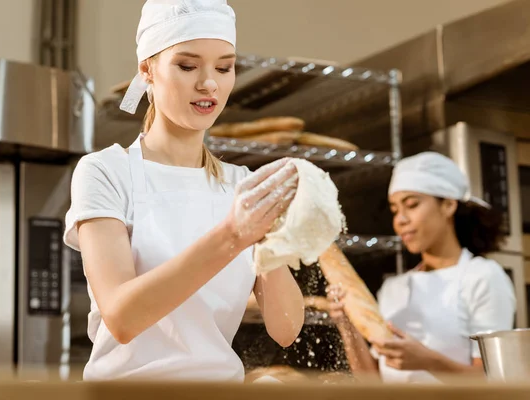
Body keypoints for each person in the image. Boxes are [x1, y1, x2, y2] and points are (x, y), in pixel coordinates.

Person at [63, 0, 304, 382]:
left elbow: (286, 328)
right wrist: (233, 236)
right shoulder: (106, 172)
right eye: (188, 66)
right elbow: (122, 317)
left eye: (224, 67)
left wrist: (270, 238)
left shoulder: (241, 185)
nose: (209, 83)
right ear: (147, 72)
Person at [326, 152, 516, 383]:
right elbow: (373, 384)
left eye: (412, 205)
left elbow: (495, 381)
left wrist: (428, 361)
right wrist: (347, 324)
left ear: (447, 205)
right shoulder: (394, 287)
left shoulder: (482, 277)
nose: (400, 220)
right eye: (395, 210)